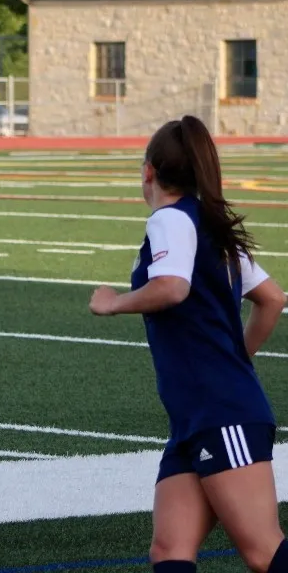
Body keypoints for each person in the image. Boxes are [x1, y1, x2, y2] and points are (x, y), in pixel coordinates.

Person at [88, 115, 287, 573]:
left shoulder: (170, 220)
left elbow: (172, 288)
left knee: (263, 551)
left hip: (220, 412)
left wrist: (113, 303)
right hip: (197, 415)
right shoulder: (210, 229)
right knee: (170, 550)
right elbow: (272, 300)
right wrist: (238, 359)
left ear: (148, 171)